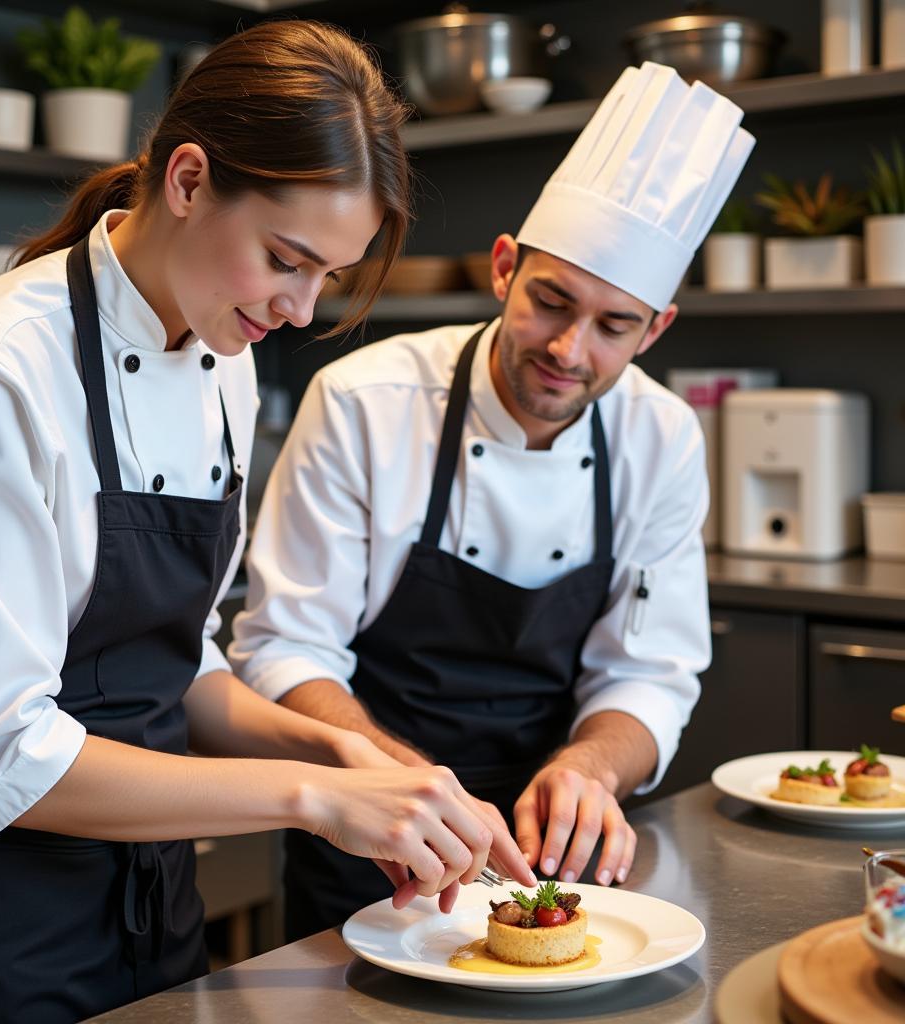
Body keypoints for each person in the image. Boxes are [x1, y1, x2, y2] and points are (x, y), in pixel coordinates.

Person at [0, 21, 533, 1024]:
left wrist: (344, 757)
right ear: (188, 179)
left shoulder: (222, 361)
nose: (303, 309)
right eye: (287, 258)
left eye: (327, 275)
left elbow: (173, 669)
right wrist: (309, 798)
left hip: (153, 907)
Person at [229, 61, 757, 941]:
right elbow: (287, 646)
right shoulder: (364, 401)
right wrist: (403, 785)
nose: (568, 348)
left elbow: (649, 671)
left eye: (614, 326)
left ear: (656, 328)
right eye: (551, 301)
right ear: (505, 268)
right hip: (376, 841)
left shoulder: (661, 437)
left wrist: (592, 768)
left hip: (557, 853)